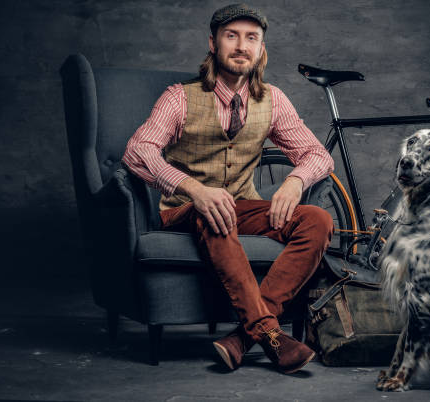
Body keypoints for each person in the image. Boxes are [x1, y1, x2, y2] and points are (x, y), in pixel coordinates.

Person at [122, 3, 335, 374]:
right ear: (213, 44)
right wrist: (193, 188)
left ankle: (243, 337)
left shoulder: (273, 100)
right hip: (183, 210)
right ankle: (271, 335)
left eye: (251, 38)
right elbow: (138, 151)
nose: (241, 46)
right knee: (212, 209)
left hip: (243, 205)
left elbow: (317, 154)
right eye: (231, 36)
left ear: (261, 49)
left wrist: (295, 181)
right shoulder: (180, 97)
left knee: (316, 219)